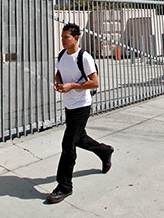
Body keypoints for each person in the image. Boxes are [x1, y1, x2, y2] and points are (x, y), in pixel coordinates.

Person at [47, 23, 114, 204]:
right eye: (62, 37)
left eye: (66, 37)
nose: (63, 40)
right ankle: (104, 151)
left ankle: (64, 186)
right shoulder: (62, 55)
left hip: (82, 106)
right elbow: (59, 73)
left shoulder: (84, 57)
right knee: (80, 138)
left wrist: (72, 86)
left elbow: (95, 82)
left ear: (76, 38)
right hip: (69, 105)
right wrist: (60, 84)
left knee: (68, 145)